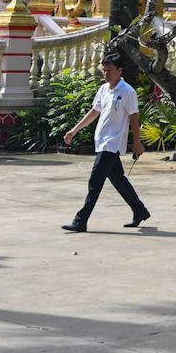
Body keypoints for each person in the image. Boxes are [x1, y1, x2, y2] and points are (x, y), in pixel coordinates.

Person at [60, 56, 151, 233]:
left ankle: (81, 220)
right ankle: (140, 211)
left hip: (113, 143)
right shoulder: (103, 89)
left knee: (95, 182)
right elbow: (95, 112)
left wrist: (137, 142)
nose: (105, 73)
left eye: (108, 70)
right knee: (118, 180)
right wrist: (74, 130)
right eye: (104, 70)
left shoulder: (127, 91)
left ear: (119, 71)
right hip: (101, 141)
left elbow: (134, 117)